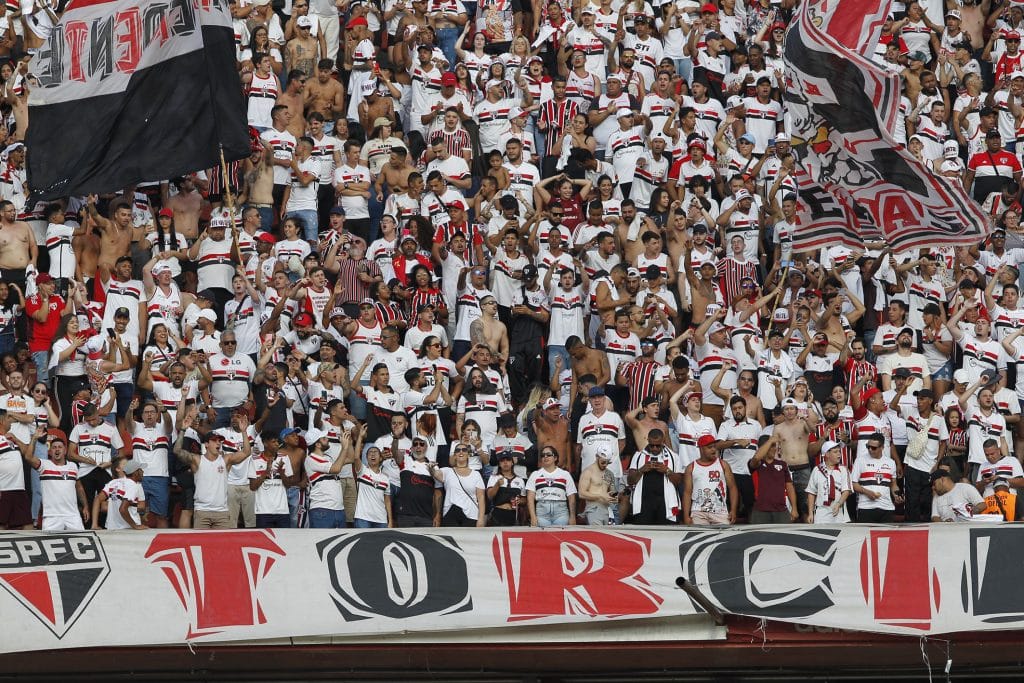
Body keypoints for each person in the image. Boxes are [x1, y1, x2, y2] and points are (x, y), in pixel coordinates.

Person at [24, 427, 89, 531]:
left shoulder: (73, 466)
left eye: (60, 447)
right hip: (51, 516)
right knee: (49, 545)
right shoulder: (44, 465)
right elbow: (28, 457)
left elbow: (79, 487)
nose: (57, 449)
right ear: (50, 451)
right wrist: (34, 438)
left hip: (72, 515)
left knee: (80, 541)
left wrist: (85, 506)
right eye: (54, 447)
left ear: (65, 450)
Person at [683, 434, 739, 525]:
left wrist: (733, 510)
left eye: (714, 447)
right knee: (699, 538)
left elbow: (733, 488)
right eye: (710, 447)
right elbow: (687, 492)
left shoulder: (723, 464)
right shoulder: (691, 467)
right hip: (698, 512)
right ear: (701, 449)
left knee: (723, 537)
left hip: (720, 512)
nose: (713, 450)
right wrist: (686, 516)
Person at [430, 442, 486, 527]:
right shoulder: (447, 471)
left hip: (471, 515)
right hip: (450, 514)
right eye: (457, 450)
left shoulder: (476, 474)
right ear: (455, 455)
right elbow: (434, 473)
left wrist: (481, 519)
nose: (461, 452)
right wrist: (431, 467)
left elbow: (481, 498)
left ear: (468, 454)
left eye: (464, 450)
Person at [526, 445, 577, 527]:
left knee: (561, 539)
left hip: (561, 512)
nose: (545, 457)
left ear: (555, 458)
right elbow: (530, 497)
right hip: (541, 512)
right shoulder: (535, 475)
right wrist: (533, 517)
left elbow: (571, 497)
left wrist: (572, 516)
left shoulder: (565, 474)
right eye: (543, 455)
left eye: (548, 454)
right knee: (543, 539)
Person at [805, 440, 852, 524]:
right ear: (827, 454)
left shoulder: (843, 469)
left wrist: (838, 504)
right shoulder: (817, 470)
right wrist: (810, 513)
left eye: (839, 451)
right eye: (835, 452)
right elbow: (811, 492)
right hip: (821, 512)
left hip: (840, 512)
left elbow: (846, 490)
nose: (839, 454)